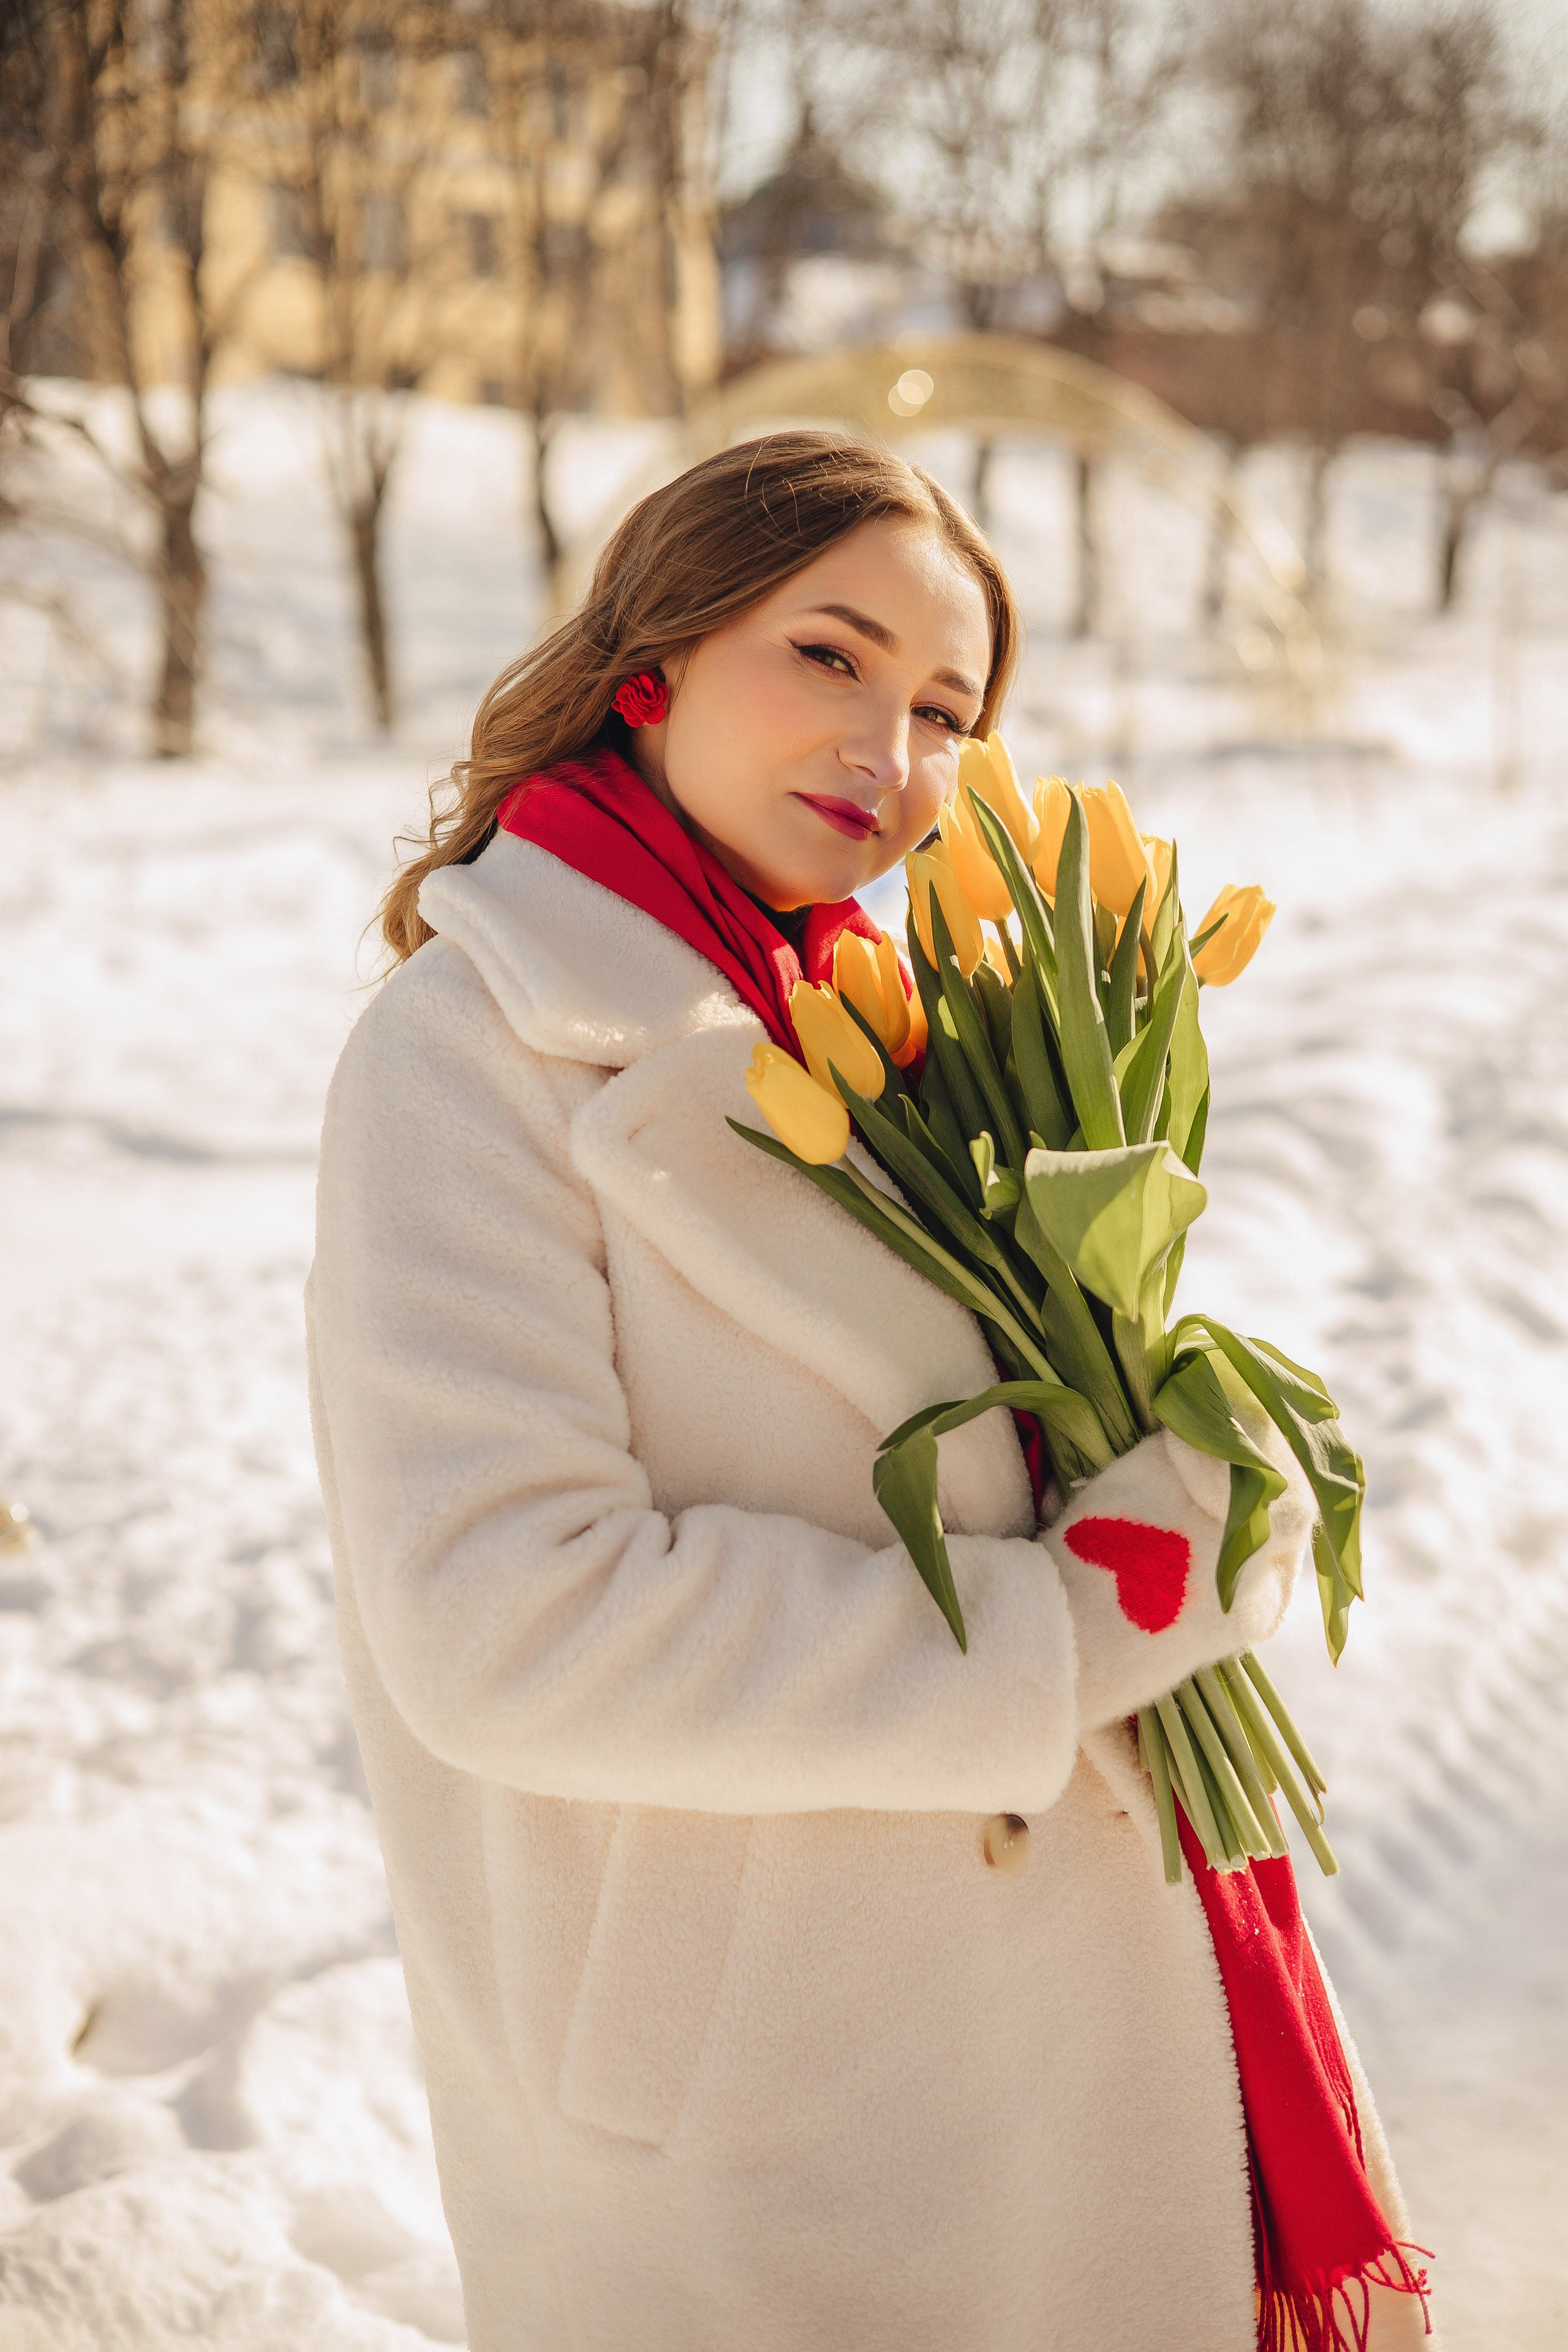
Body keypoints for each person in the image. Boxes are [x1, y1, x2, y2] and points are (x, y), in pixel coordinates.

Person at [307, 431, 1429, 2351]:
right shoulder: (474, 1057)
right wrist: (1066, 1636)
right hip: (767, 2107)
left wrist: (1186, 1448)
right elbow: (504, 1621)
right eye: (827, 658)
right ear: (652, 658)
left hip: (1041, 2044)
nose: (892, 758)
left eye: (944, 707)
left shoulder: (871, 1025)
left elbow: (993, 1442)